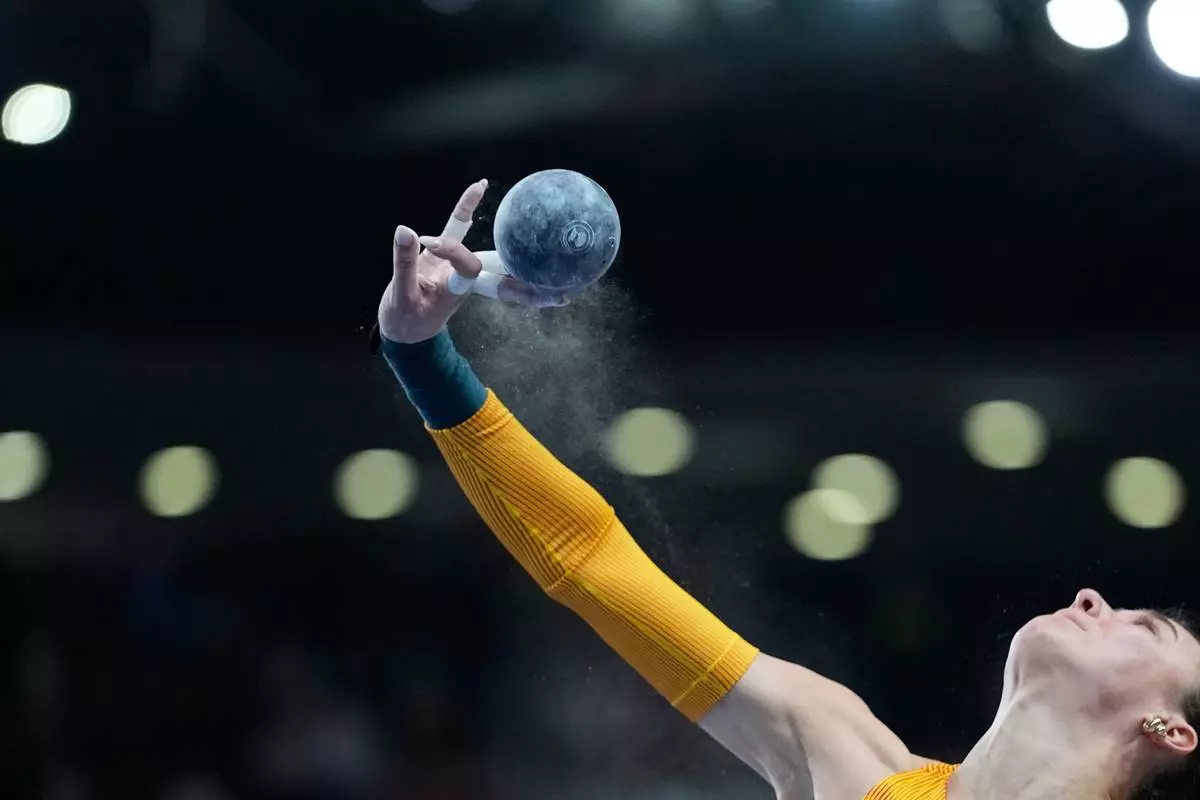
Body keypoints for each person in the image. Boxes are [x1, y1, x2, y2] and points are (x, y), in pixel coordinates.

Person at [374, 179, 1200, 799]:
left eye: (1146, 626)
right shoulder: (843, 752)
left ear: (1171, 729)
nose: (1095, 597)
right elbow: (592, 559)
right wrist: (423, 359)